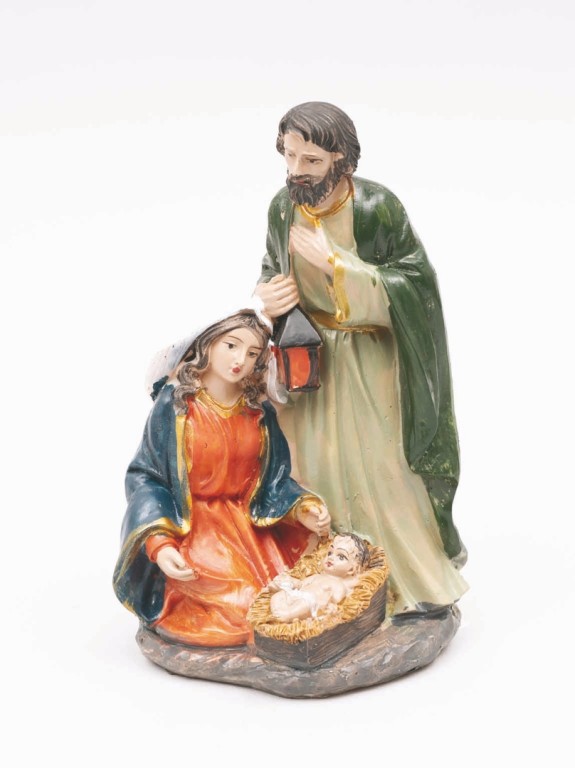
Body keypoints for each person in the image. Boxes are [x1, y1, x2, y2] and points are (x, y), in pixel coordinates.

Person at [254, 102, 468, 616]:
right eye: (289, 156)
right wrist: (269, 294)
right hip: (309, 362)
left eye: (311, 161)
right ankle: (322, 577)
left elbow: (417, 285)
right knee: (314, 465)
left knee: (382, 468)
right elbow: (269, 265)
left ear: (341, 161)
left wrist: (337, 265)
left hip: (370, 361)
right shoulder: (283, 207)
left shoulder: (376, 207)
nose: (297, 171)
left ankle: (405, 581)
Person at [113, 310, 331, 647]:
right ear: (208, 345)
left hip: (250, 531)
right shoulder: (176, 407)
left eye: (252, 353)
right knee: (243, 608)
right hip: (196, 532)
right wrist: (160, 544)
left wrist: (302, 509)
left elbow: (274, 480)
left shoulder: (258, 412)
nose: (240, 360)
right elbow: (146, 477)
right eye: (231, 345)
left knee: (290, 597)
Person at [268, 533, 369, 622]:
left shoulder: (338, 584)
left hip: (312, 603)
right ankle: (278, 612)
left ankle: (288, 615)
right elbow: (301, 584)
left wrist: (332, 608)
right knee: (278, 596)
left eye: (341, 557)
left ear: (351, 569)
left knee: (305, 603)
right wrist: (288, 583)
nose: (331, 557)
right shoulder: (317, 576)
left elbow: (338, 600)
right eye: (330, 552)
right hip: (299, 595)